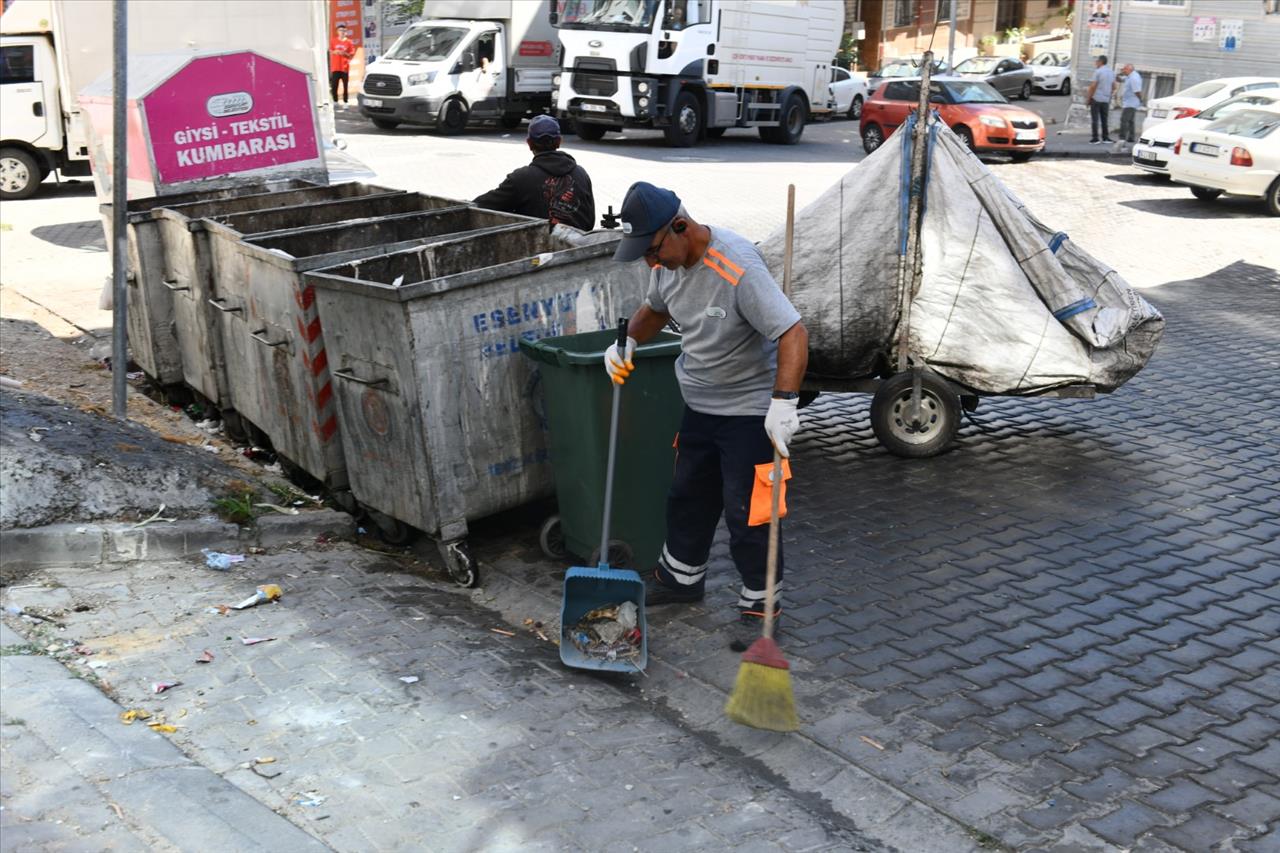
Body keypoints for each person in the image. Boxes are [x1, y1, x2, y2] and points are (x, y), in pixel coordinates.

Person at [605, 182, 809, 646]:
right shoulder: (667, 264)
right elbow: (655, 310)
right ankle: (680, 579)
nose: (652, 264)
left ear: (680, 227)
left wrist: (784, 401)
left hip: (749, 413)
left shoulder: (737, 267)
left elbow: (793, 332)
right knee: (687, 498)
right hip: (700, 404)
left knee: (747, 514)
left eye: (654, 251)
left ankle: (761, 606)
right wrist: (627, 342)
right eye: (645, 257)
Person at [474, 115, 596, 231]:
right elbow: (589, 221)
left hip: (538, 248)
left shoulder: (521, 178)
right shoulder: (581, 174)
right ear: (559, 141)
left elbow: (482, 205)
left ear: (529, 143)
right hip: (579, 245)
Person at [1087, 54, 1117, 144]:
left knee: (1095, 119)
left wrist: (1089, 98)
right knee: (1104, 119)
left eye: (1097, 61)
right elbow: (1114, 86)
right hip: (1106, 99)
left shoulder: (1098, 72)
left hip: (1096, 98)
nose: (1096, 63)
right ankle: (1105, 137)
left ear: (1101, 62)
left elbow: (1093, 86)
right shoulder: (1111, 72)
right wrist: (1108, 94)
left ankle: (1095, 138)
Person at [330, 24, 355, 106]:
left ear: (346, 32)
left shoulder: (349, 42)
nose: (342, 32)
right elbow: (330, 50)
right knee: (334, 85)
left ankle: (345, 101)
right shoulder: (333, 41)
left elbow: (351, 54)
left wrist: (344, 53)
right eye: (340, 30)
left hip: (344, 67)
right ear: (337, 31)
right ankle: (335, 101)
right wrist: (335, 52)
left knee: (345, 86)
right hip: (335, 67)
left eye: (344, 31)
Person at [1119, 63, 1143, 144]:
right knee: (1130, 121)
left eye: (1125, 69)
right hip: (1129, 102)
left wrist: (1140, 99)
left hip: (1131, 103)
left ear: (1129, 69)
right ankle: (1131, 138)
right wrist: (1119, 74)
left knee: (1124, 120)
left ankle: (1122, 138)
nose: (1123, 70)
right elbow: (1120, 80)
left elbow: (1137, 91)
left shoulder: (1134, 77)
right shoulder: (1129, 76)